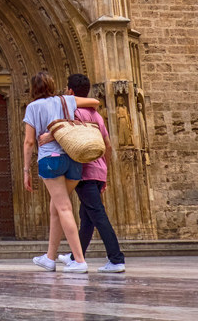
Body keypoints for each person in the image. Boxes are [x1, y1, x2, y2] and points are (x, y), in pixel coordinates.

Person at [23, 70, 100, 273]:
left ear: (33, 89)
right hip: (73, 158)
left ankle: (79, 260)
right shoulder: (65, 100)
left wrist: (25, 170)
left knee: (64, 208)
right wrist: (60, 129)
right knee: (56, 208)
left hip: (51, 160)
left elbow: (30, 141)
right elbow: (95, 102)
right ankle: (49, 258)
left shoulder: (33, 107)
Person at [64, 73, 125, 273]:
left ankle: (116, 259)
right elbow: (107, 146)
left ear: (71, 91)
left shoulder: (74, 112)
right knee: (87, 218)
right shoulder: (97, 115)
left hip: (86, 171)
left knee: (98, 216)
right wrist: (104, 173)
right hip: (98, 170)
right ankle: (75, 256)